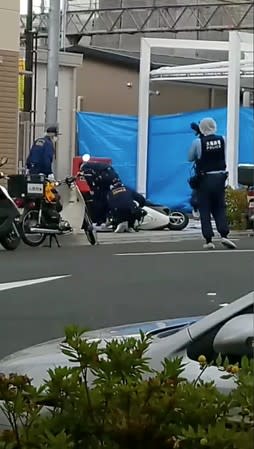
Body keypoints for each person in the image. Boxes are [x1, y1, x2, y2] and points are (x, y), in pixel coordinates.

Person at [188, 117, 236, 250]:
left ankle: (208, 240)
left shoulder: (198, 142)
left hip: (205, 179)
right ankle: (224, 235)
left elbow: (190, 157)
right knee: (219, 207)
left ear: (201, 128)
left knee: (205, 208)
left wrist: (200, 139)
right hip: (220, 178)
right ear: (214, 126)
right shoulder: (223, 139)